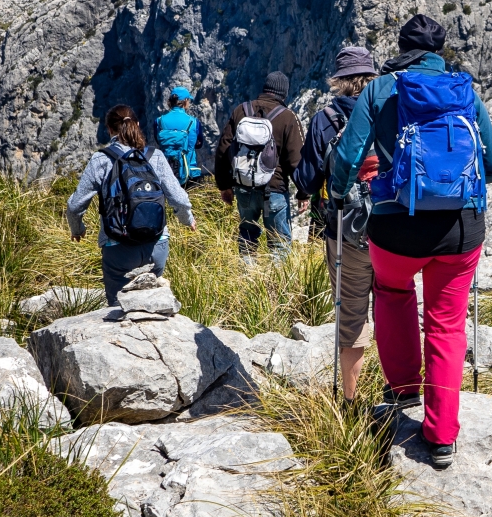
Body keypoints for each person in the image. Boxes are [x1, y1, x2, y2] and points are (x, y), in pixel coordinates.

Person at [327, 15, 492, 469]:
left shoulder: (381, 89)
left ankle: (404, 389)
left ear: (402, 48)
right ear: (439, 51)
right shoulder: (463, 89)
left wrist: (338, 194)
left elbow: (348, 156)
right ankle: (442, 437)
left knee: (392, 292)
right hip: (460, 230)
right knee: (446, 324)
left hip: (395, 227)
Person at [294, 45, 381, 402]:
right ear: (372, 76)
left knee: (352, 320)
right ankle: (401, 393)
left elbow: (307, 180)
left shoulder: (325, 118)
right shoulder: (391, 111)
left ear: (339, 80)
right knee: (396, 308)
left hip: (347, 231)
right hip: (394, 231)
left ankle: (351, 401)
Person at [67, 104, 195, 310]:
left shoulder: (101, 159)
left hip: (118, 248)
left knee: (119, 309)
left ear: (110, 130)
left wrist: (77, 229)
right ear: (136, 124)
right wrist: (187, 219)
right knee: (151, 302)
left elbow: (75, 206)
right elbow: (179, 198)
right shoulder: (155, 156)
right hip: (157, 246)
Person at [215, 71, 303, 254]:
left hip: (243, 186)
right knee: (279, 244)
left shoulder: (242, 110)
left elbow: (223, 149)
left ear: (265, 89)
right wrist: (303, 193)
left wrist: (224, 186)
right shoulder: (288, 117)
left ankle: (247, 278)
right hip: (274, 189)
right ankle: (277, 283)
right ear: (284, 94)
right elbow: (296, 159)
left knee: (247, 237)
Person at [156, 86, 202, 186]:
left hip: (165, 173)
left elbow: (158, 141)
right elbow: (199, 144)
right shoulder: (193, 122)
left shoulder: (159, 121)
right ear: (185, 100)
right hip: (189, 174)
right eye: (189, 100)